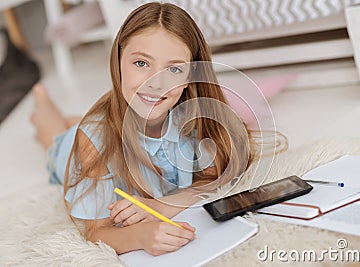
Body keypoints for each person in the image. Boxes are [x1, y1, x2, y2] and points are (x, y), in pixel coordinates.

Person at [31, 2, 257, 256]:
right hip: (86, 142)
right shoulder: (92, 142)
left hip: (111, 120)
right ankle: (42, 102)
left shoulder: (196, 115)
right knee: (53, 139)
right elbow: (95, 231)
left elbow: (213, 176)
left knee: (81, 123)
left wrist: (162, 206)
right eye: (141, 63)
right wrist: (140, 236)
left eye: (173, 69)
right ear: (117, 62)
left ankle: (72, 118)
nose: (155, 83)